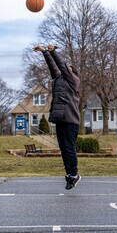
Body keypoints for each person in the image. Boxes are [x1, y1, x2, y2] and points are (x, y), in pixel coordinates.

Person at [34, 44, 81, 190]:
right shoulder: (59, 80)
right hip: (61, 119)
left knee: (69, 148)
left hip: (70, 120)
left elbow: (61, 66)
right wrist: (45, 53)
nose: (64, 71)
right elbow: (53, 68)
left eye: (68, 70)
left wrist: (53, 51)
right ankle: (69, 174)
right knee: (63, 149)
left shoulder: (73, 81)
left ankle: (74, 174)